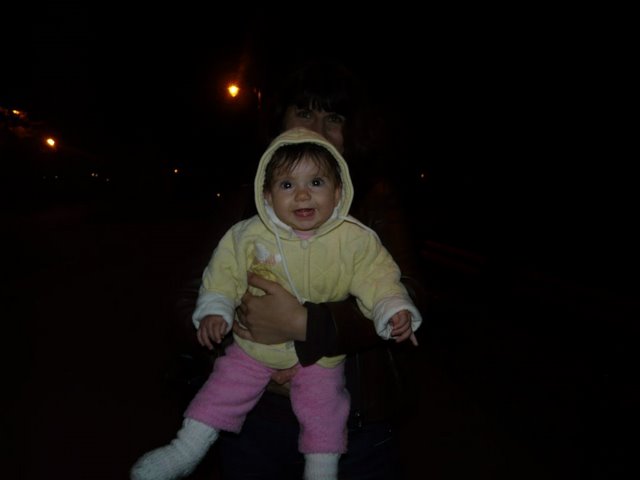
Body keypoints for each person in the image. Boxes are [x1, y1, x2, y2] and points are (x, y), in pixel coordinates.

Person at [167, 59, 428, 480]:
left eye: (333, 117)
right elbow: (195, 291)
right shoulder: (248, 201)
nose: (317, 127)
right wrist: (242, 335)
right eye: (304, 112)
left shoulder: (373, 199)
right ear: (280, 119)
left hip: (356, 420)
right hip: (256, 419)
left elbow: (404, 290)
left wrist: (306, 324)